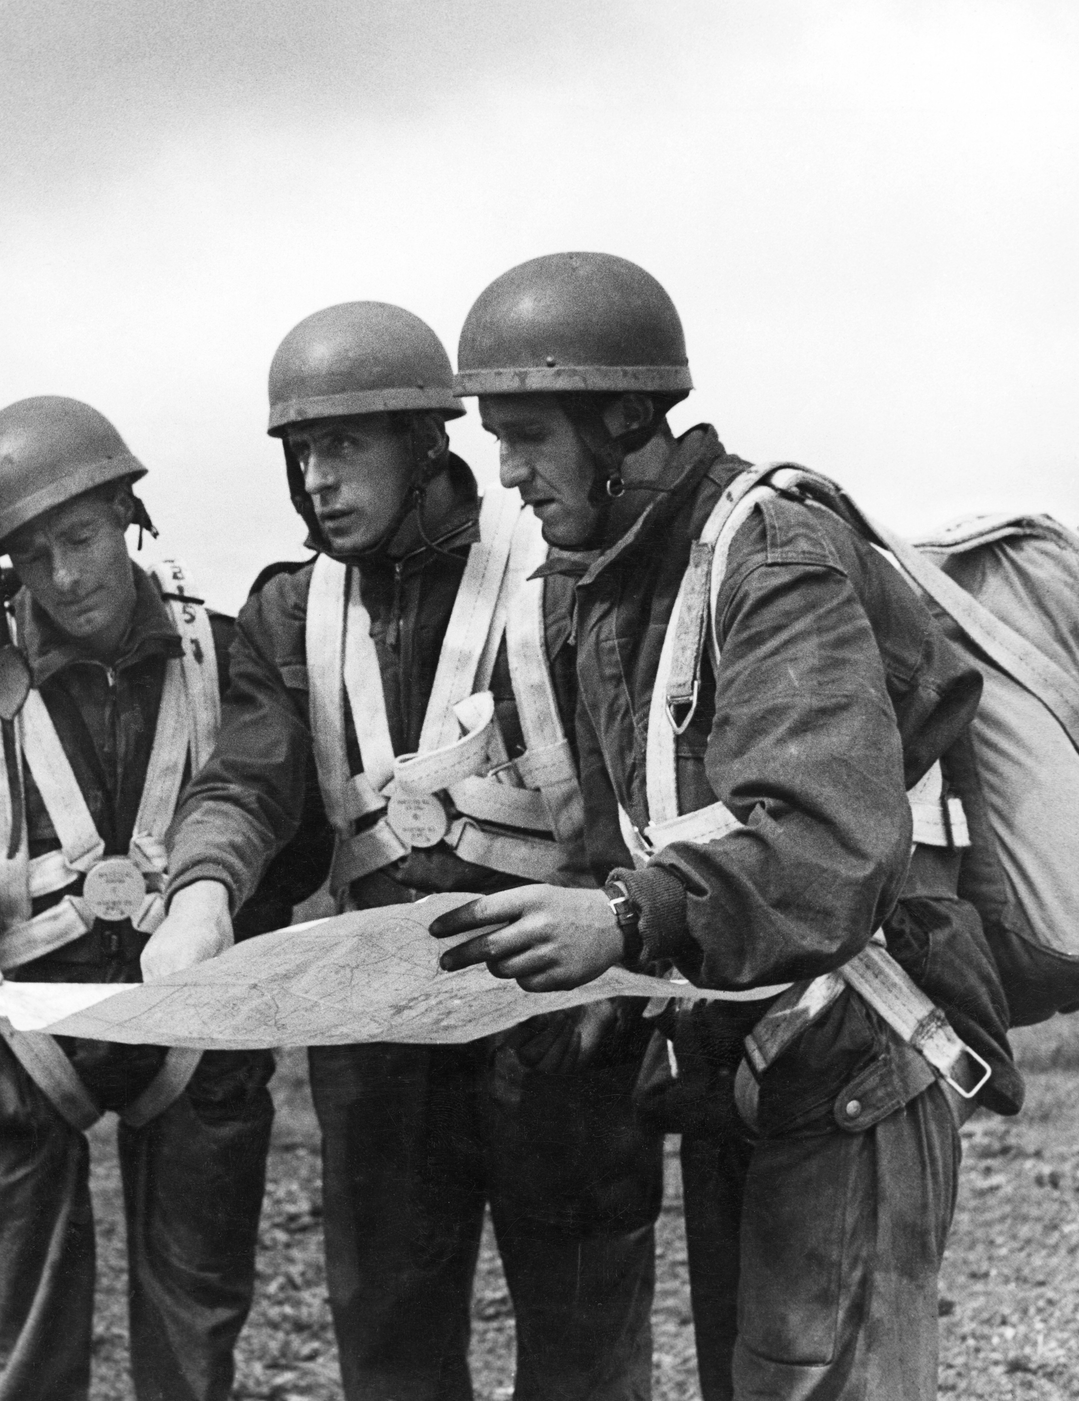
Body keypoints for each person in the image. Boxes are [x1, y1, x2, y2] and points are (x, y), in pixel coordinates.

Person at [430, 252, 1023, 1401]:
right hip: (740, 1060)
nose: (506, 474)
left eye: (528, 437)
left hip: (854, 1061)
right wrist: (607, 969)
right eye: (495, 441)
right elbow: (645, 828)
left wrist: (621, 920)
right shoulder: (599, 588)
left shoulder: (772, 555)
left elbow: (826, 845)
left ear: (622, 418)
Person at [164, 300, 664, 1401]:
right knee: (390, 1350)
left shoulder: (562, 571)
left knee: (584, 1350)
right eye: (302, 453)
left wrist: (617, 957)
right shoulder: (289, 610)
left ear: (428, 442)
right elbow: (247, 781)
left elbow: (638, 784)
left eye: (344, 445)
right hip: (380, 1033)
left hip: (558, 1014)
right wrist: (202, 890)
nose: (317, 481)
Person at [0, 395, 325, 1401]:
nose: (66, 577)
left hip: (192, 1024)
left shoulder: (220, 655)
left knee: (195, 1328)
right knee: (8, 1350)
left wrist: (206, 895)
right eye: (34, 558)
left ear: (127, 517)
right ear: (4, 572)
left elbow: (259, 787)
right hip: (19, 1034)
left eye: (80, 539)